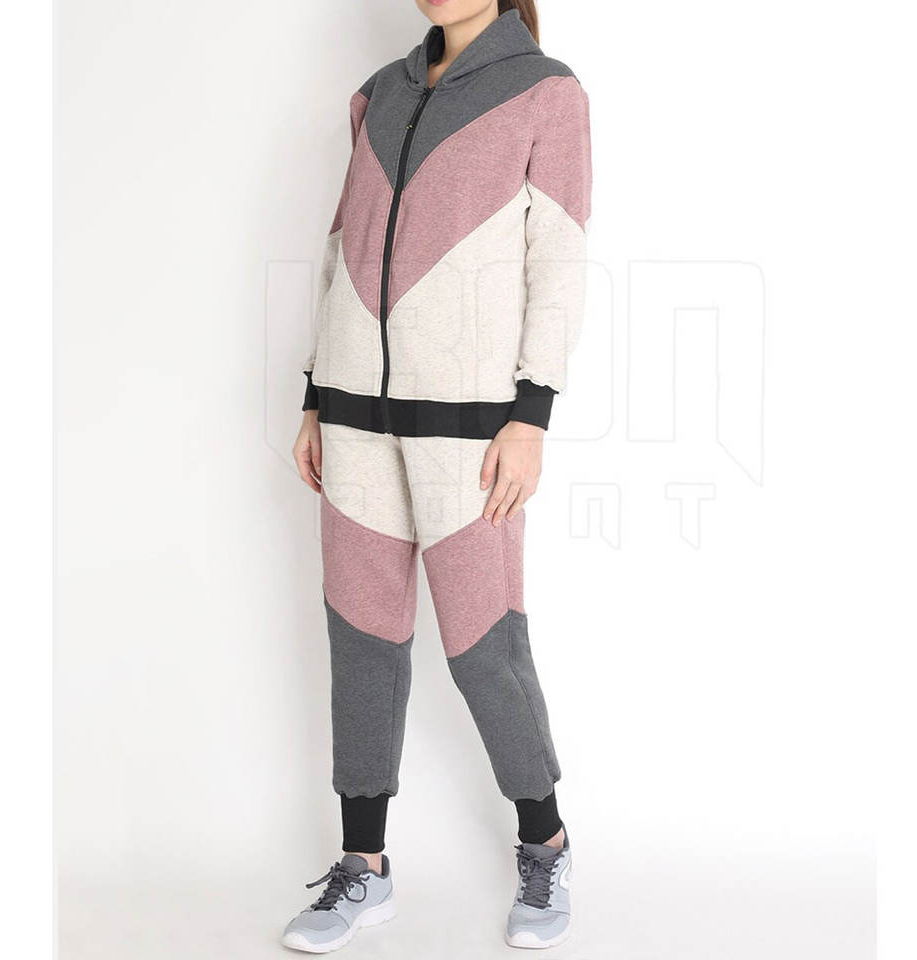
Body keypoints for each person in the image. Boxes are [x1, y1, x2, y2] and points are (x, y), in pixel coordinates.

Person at [284, 0, 590, 950]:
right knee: (361, 643)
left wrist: (531, 415)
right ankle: (364, 866)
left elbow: (559, 259)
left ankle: (545, 841)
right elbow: (341, 246)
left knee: (484, 646)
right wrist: (314, 395)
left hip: (471, 430)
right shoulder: (378, 94)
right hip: (354, 420)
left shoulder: (546, 92)